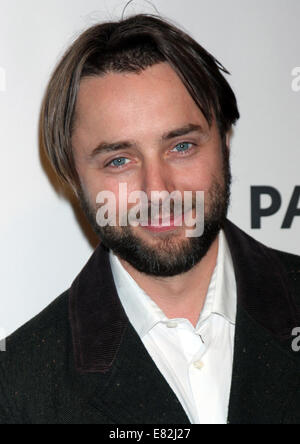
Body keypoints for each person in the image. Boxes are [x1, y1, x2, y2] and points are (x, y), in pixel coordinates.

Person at [1, 13, 300, 425]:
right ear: (73, 177)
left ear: (225, 143)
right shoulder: (19, 387)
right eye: (119, 160)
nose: (158, 190)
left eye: (181, 146)